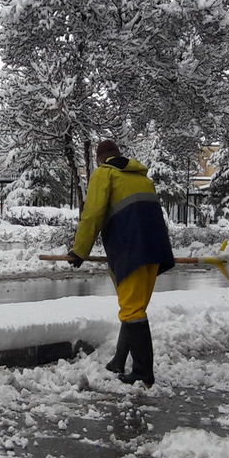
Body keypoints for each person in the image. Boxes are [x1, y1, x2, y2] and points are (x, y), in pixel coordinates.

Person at [68, 140, 175, 385]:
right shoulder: (141, 177)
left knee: (132, 310)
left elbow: (93, 213)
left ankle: (143, 373)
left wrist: (79, 251)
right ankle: (118, 360)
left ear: (100, 159)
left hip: (132, 249)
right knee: (134, 306)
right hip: (155, 250)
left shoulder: (104, 174)